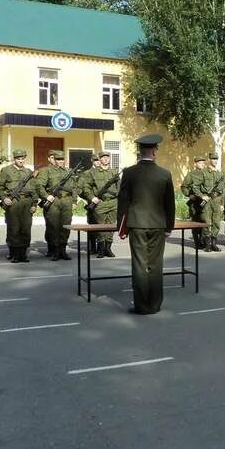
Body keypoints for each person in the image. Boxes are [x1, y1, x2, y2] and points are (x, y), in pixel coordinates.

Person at [117, 134, 175, 315]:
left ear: (140, 151)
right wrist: (169, 227)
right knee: (156, 265)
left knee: (140, 265)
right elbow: (170, 204)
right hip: (158, 224)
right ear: (154, 151)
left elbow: (123, 202)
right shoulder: (164, 174)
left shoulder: (129, 172)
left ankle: (141, 306)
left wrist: (122, 228)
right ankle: (155, 305)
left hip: (136, 224)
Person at [35, 150, 77, 261]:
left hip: (67, 201)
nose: (60, 161)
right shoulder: (46, 171)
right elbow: (39, 185)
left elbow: (74, 188)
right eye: (58, 159)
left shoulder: (68, 171)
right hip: (53, 202)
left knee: (65, 227)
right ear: (54, 159)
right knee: (53, 227)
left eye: (62, 159)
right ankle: (54, 251)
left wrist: (74, 201)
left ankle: (63, 250)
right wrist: (46, 196)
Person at [0, 148, 36, 263]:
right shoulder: (6, 171)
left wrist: (34, 204)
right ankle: (14, 254)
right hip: (13, 203)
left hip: (27, 203)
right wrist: (4, 198)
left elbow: (34, 189)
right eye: (19, 159)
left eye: (23, 159)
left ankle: (23, 254)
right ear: (15, 159)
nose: (21, 161)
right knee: (14, 228)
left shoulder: (28, 172)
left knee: (26, 228)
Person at [82, 150, 120, 258]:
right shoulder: (92, 173)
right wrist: (91, 197)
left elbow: (120, 187)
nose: (105, 159)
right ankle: (101, 248)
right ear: (99, 159)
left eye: (107, 157)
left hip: (113, 202)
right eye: (103, 157)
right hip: (100, 203)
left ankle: (108, 248)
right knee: (101, 227)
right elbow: (86, 187)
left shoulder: (114, 172)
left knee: (111, 226)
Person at [193, 152, 224, 252]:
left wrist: (222, 204)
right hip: (207, 201)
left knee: (216, 222)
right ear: (209, 160)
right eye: (213, 159)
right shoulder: (203, 172)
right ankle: (207, 244)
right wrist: (202, 196)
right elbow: (195, 187)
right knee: (207, 222)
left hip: (217, 200)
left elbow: (223, 190)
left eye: (216, 159)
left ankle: (214, 243)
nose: (215, 161)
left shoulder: (219, 173)